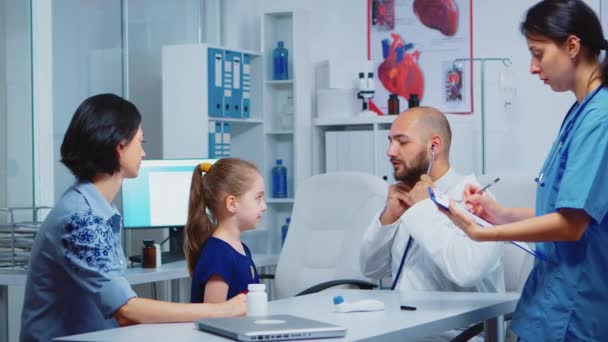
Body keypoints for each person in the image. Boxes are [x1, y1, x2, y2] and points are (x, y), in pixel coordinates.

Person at [441, 1, 608, 340]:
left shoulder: (600, 118)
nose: (533, 67)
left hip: (573, 308)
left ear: (572, 46)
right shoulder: (581, 112)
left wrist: (483, 234)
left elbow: (572, 225)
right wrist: (499, 213)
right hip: (551, 301)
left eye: (538, 53)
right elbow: (564, 210)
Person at [20, 94, 246, 341]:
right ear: (120, 146)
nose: (144, 152)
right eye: (140, 142)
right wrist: (221, 310)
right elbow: (126, 310)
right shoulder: (81, 218)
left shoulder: (98, 209)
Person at [359, 106, 504, 340]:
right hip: (405, 329)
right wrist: (388, 218)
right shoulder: (407, 196)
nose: (390, 151)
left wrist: (423, 209)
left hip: (458, 336)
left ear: (434, 146)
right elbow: (371, 269)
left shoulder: (473, 200)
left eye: (402, 142)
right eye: (390, 141)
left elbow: (466, 270)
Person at [184, 158, 266, 303]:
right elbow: (215, 316)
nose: (264, 206)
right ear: (232, 204)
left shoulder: (241, 249)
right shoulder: (218, 255)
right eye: (258, 198)